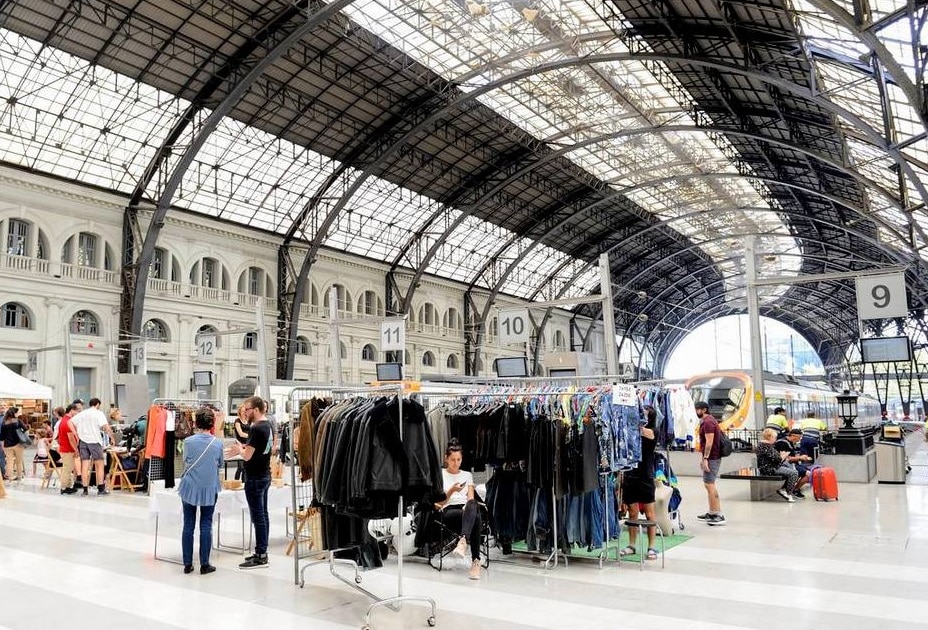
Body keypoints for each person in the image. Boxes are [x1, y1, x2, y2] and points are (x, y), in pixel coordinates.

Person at [225, 396, 272, 569]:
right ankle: (262, 551)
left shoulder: (257, 428)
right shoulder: (268, 425)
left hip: (255, 477)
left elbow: (247, 456)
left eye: (248, 409)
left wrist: (239, 449)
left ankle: (261, 555)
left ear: (257, 409)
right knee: (263, 515)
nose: (245, 412)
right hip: (265, 475)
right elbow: (263, 450)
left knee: (258, 516)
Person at [178, 408, 223, 575]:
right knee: (206, 524)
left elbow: (186, 461)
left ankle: (187, 563)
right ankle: (205, 564)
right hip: (210, 486)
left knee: (188, 525)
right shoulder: (217, 443)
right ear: (212, 423)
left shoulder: (188, 441)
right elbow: (220, 463)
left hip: (189, 486)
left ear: (196, 423)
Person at [434, 439, 483, 580]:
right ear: (446, 459)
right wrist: (451, 490)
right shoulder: (440, 475)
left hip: (466, 509)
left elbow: (470, 498)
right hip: (449, 510)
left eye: (459, 460)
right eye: (453, 460)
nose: (456, 463)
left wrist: (468, 508)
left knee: (473, 506)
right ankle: (476, 560)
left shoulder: (467, 475)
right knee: (476, 518)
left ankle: (463, 542)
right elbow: (439, 503)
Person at [620, 405, 659, 560]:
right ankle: (631, 545)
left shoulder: (653, 431)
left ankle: (651, 547)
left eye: (645, 416)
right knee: (633, 512)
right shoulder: (629, 431)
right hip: (630, 474)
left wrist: (632, 424)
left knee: (650, 513)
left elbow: (646, 433)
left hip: (646, 477)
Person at [71, 398, 114, 496]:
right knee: (99, 465)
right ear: (98, 404)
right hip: (94, 441)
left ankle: (85, 490)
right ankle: (101, 489)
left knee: (85, 466)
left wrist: (77, 434)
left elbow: (71, 422)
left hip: (83, 441)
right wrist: (112, 437)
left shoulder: (82, 413)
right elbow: (106, 427)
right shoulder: (98, 413)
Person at [695, 401, 725, 526]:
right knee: (709, 484)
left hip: (712, 457)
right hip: (712, 456)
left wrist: (706, 458)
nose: (696, 412)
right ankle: (712, 511)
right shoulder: (710, 420)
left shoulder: (708, 422)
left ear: (704, 410)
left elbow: (709, 442)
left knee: (709, 485)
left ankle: (718, 514)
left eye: (698, 409)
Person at [756, 428, 798, 502]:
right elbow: (778, 459)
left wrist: (781, 455)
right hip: (770, 469)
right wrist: (784, 455)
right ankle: (787, 492)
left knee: (789, 466)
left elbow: (774, 457)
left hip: (768, 466)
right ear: (770, 437)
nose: (776, 439)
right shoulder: (767, 446)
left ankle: (785, 489)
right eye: (775, 437)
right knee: (794, 473)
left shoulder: (762, 445)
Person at [775, 428, 812, 498]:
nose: (799, 440)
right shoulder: (782, 443)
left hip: (791, 464)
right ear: (793, 436)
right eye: (799, 437)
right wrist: (800, 458)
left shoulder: (790, 442)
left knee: (808, 471)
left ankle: (794, 489)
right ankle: (794, 490)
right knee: (808, 474)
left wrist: (801, 456)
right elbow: (785, 458)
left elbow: (791, 455)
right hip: (783, 465)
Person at [56, 403, 82, 494]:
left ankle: (68, 486)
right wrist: (76, 449)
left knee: (68, 467)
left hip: (65, 448)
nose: (78, 413)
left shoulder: (64, 420)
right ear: (72, 410)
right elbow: (71, 438)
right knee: (67, 468)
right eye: (77, 411)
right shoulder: (68, 422)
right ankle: (64, 487)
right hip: (67, 449)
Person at [1, 407, 27, 481]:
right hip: (18, 444)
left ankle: (10, 478)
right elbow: (25, 428)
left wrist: (3, 445)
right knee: (19, 461)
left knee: (9, 462)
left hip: (7, 445)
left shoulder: (4, 422)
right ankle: (19, 477)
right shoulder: (17, 421)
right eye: (17, 413)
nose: (18, 414)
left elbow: (2, 436)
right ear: (14, 413)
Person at [232, 405, 250, 481]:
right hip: (240, 445)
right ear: (239, 412)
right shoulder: (237, 421)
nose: (244, 413)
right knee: (241, 467)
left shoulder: (248, 421)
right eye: (242, 411)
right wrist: (251, 436)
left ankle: (243, 484)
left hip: (247, 445)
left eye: (245, 411)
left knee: (246, 467)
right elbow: (240, 433)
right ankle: (236, 482)